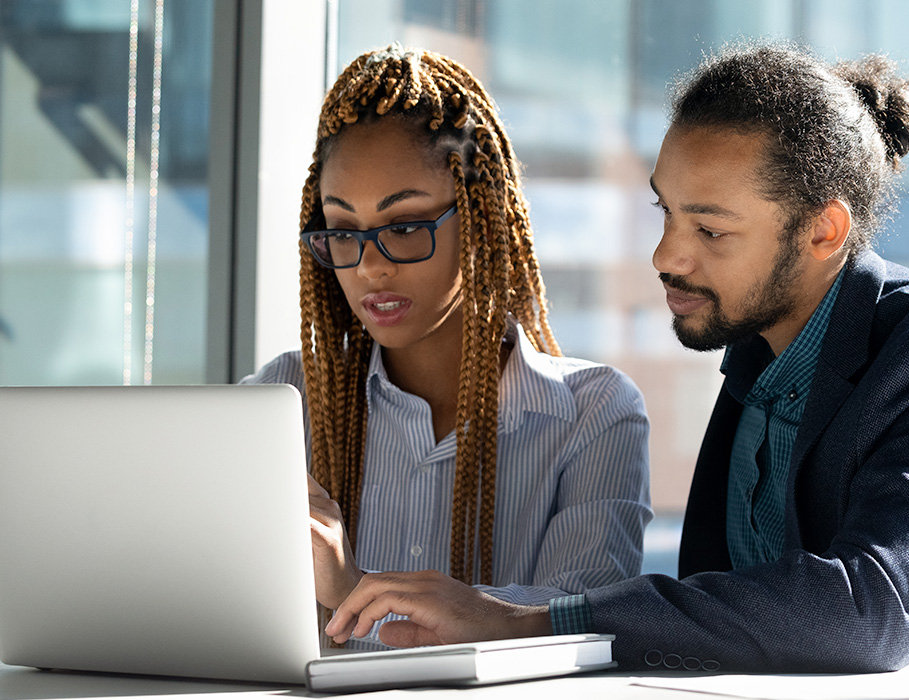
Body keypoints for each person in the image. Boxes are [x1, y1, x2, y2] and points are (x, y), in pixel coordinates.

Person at [321, 42, 909, 672]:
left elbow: (871, 611)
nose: (665, 255)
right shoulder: (756, 363)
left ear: (824, 231)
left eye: (710, 230)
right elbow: (723, 620)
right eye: (666, 211)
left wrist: (525, 619)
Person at [241, 44, 652, 644]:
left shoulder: (595, 413)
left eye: (404, 227)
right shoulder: (283, 399)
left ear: (481, 219)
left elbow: (580, 622)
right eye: (344, 231)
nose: (369, 267)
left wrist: (353, 590)